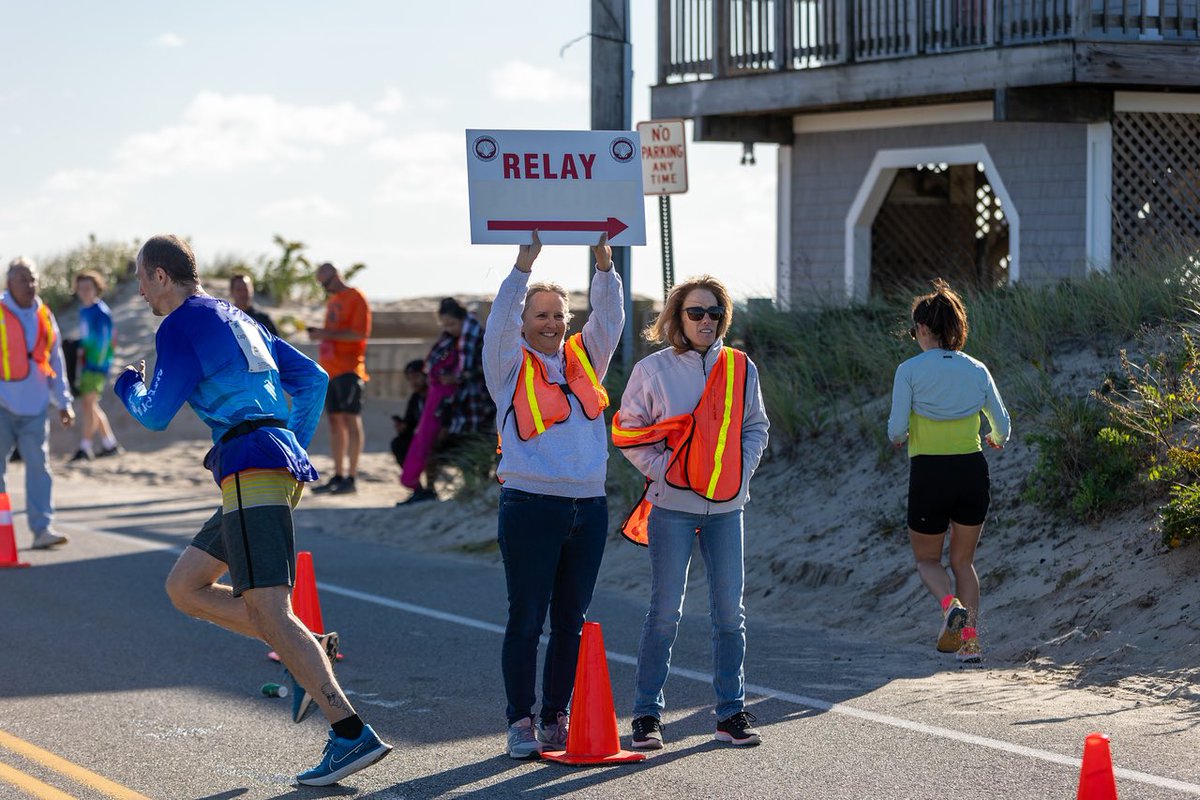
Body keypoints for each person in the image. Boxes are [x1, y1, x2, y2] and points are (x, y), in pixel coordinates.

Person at [114, 235, 391, 786]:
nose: (140, 290)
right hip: (265, 464)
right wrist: (291, 447)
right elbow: (311, 379)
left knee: (268, 608)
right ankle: (307, 648)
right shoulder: (232, 314)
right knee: (185, 588)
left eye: (142, 278)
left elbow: (153, 415)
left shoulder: (179, 325)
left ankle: (349, 731)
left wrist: (128, 385)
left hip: (250, 466)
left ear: (163, 277)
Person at [611, 275, 770, 751]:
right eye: (696, 312)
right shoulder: (653, 369)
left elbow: (756, 426)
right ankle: (646, 715)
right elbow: (627, 430)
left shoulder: (741, 367)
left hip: (727, 508)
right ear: (677, 317)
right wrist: (664, 471)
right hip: (672, 508)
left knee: (729, 614)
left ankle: (730, 713)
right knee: (664, 612)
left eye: (715, 313)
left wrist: (740, 474)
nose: (707, 321)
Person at [483, 231, 623, 759]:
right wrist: (524, 264)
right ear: (523, 321)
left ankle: (554, 717)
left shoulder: (586, 359)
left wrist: (604, 264)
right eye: (540, 314)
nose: (552, 323)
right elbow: (497, 324)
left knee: (572, 622)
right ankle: (519, 720)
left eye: (559, 314)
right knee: (526, 618)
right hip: (530, 506)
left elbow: (609, 321)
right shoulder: (508, 365)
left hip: (589, 507)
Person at [886, 278, 1010, 664]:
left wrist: (903, 436)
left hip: (930, 473)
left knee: (927, 561)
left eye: (914, 331)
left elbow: (894, 430)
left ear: (923, 329)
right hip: (972, 472)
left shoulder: (910, 370)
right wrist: (993, 439)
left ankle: (949, 606)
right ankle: (970, 643)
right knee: (964, 562)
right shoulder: (977, 368)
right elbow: (1002, 426)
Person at [0, 258, 75, 549]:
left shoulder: (44, 314)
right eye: (22, 279)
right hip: (2, 406)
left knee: (39, 468)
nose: (29, 285)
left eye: (32, 279)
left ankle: (42, 529)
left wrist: (64, 402)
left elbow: (56, 361)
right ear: (9, 283)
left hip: (35, 406)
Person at [398, 298, 494, 505]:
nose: (449, 330)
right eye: (445, 325)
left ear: (462, 320)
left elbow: (485, 369)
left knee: (476, 447)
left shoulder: (478, 338)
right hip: (454, 409)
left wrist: (458, 378)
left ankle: (478, 488)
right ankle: (430, 489)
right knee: (430, 445)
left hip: (478, 406)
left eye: (452, 324)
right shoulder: (449, 341)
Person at [308, 262, 371, 495]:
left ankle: (351, 476)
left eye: (325, 283)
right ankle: (338, 474)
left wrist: (325, 334)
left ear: (336, 276)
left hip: (350, 369)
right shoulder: (333, 301)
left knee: (350, 420)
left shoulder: (356, 298)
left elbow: (359, 334)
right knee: (335, 422)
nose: (325, 288)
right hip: (330, 369)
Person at [70, 269, 123, 462]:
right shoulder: (83, 310)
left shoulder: (101, 312)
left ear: (96, 289)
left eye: (88, 287)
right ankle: (110, 443)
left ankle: (85, 446)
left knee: (88, 404)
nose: (84, 291)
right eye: (81, 287)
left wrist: (96, 365)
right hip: (86, 365)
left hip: (96, 366)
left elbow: (105, 343)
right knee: (91, 405)